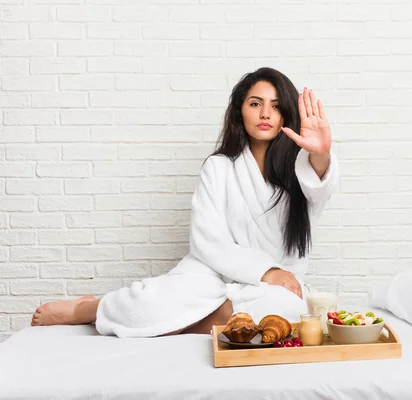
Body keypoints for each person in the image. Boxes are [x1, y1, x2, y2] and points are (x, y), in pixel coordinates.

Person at [30, 67, 339, 337]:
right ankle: (92, 307)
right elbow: (208, 241)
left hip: (277, 286)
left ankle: (176, 324)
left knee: (287, 309)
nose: (265, 114)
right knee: (149, 303)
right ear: (239, 111)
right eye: (255, 103)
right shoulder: (219, 167)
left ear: (286, 112)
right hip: (213, 275)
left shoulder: (301, 167)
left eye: (275, 106)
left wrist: (321, 153)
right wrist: (264, 271)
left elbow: (319, 188)